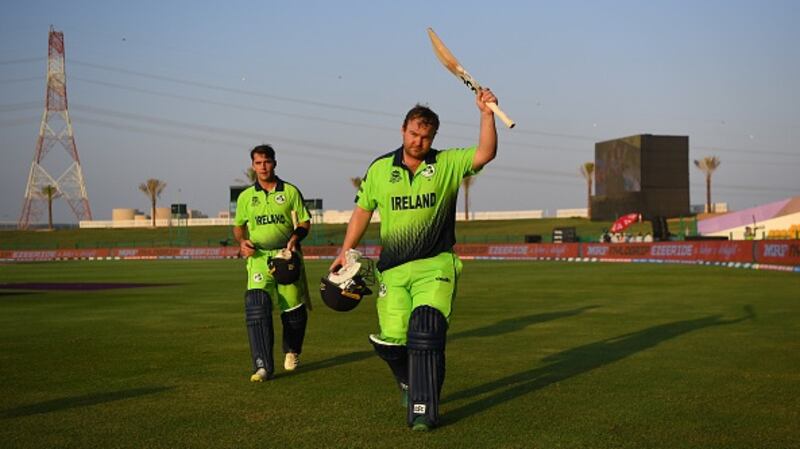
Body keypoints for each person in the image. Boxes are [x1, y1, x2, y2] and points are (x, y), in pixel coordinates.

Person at [329, 88, 500, 431]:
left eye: (425, 137)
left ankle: (424, 407)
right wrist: (345, 250)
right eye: (413, 134)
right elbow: (363, 211)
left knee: (426, 328)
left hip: (435, 266)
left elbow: (485, 153)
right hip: (392, 270)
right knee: (391, 341)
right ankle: (409, 381)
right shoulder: (380, 169)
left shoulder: (446, 164)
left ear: (433, 137)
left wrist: (486, 114)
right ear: (403, 129)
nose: (418, 142)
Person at [233, 144, 312, 382]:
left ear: (274, 163)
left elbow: (305, 221)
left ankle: (292, 350)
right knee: (256, 306)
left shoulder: (290, 191)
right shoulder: (246, 197)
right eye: (258, 163)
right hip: (258, 259)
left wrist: (295, 237)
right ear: (253, 166)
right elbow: (239, 227)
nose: (263, 167)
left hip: (285, 257)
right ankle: (262, 366)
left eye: (267, 162)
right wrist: (242, 242)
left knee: (293, 310)